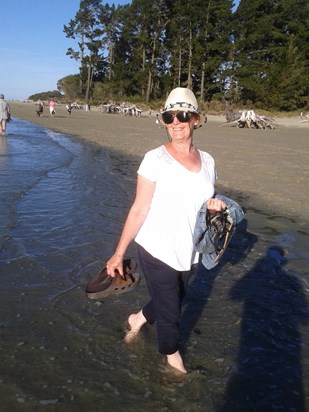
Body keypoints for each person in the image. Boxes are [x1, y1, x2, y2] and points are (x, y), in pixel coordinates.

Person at [106, 87, 226, 374]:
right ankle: (173, 363)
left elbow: (202, 201)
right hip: (156, 247)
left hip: (189, 248)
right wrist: (118, 253)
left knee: (173, 299)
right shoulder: (154, 159)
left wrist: (213, 208)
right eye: (169, 116)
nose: (176, 122)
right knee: (171, 312)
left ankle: (137, 320)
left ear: (196, 119)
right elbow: (138, 208)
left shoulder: (208, 161)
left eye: (183, 115)